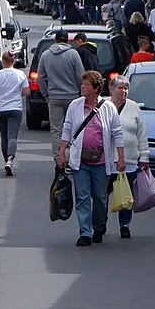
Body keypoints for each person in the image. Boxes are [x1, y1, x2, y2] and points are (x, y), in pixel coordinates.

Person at [57, 71, 121, 247]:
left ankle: (98, 226)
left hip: (101, 161)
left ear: (95, 88)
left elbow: (117, 133)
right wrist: (62, 152)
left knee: (100, 197)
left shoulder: (108, 108)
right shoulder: (75, 106)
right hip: (81, 161)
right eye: (82, 84)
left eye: (85, 84)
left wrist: (120, 158)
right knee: (82, 197)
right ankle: (85, 232)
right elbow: (67, 129)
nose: (82, 87)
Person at [109, 74, 148, 240]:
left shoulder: (134, 107)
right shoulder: (103, 105)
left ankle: (124, 226)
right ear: (111, 89)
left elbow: (142, 134)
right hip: (106, 161)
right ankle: (99, 224)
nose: (123, 91)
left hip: (130, 161)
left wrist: (144, 157)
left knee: (126, 196)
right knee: (102, 195)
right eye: (120, 88)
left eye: (126, 88)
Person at [0, 51, 28, 176]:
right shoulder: (20, 74)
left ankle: (6, 160)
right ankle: (10, 160)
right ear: (14, 61)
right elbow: (27, 92)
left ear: (3, 62)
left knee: (4, 136)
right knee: (12, 136)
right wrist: (17, 93)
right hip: (15, 109)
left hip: (0, 109)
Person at [40, 28, 85, 133]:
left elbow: (40, 77)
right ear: (67, 40)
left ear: (55, 40)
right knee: (73, 128)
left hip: (54, 97)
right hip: (72, 97)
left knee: (56, 130)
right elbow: (80, 76)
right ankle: (71, 149)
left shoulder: (45, 55)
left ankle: (57, 150)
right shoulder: (73, 54)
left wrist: (46, 95)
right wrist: (80, 92)